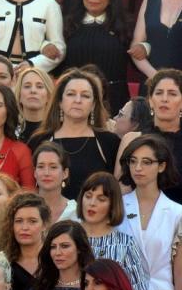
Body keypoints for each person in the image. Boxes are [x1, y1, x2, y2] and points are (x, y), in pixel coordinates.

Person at [117, 135, 182, 290]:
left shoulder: (177, 213)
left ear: (162, 166)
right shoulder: (116, 208)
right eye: (133, 161)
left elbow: (180, 273)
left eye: (146, 162)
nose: (138, 168)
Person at [29, 68, 121, 198]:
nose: (78, 100)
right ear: (60, 102)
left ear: (93, 104)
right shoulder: (39, 141)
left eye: (85, 95)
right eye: (71, 94)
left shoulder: (109, 142)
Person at [77, 174, 150, 290]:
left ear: (113, 204)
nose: (92, 203)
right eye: (88, 196)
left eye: (101, 199)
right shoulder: (67, 235)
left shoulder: (125, 243)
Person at [60, 0, 130, 113]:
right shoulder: (68, 25)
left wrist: (144, 47)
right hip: (75, 101)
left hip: (114, 101)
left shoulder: (124, 26)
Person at [25, 220, 95, 290]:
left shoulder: (93, 287)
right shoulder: (39, 289)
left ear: (79, 249)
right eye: (53, 247)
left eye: (65, 246)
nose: (57, 253)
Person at [115, 69, 182, 178]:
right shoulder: (132, 140)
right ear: (150, 101)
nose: (164, 99)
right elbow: (120, 189)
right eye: (159, 93)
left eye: (172, 94)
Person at [0, 192, 50, 290]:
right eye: (19, 221)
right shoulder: (3, 265)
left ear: (44, 225)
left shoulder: (56, 260)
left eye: (32, 221)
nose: (24, 227)